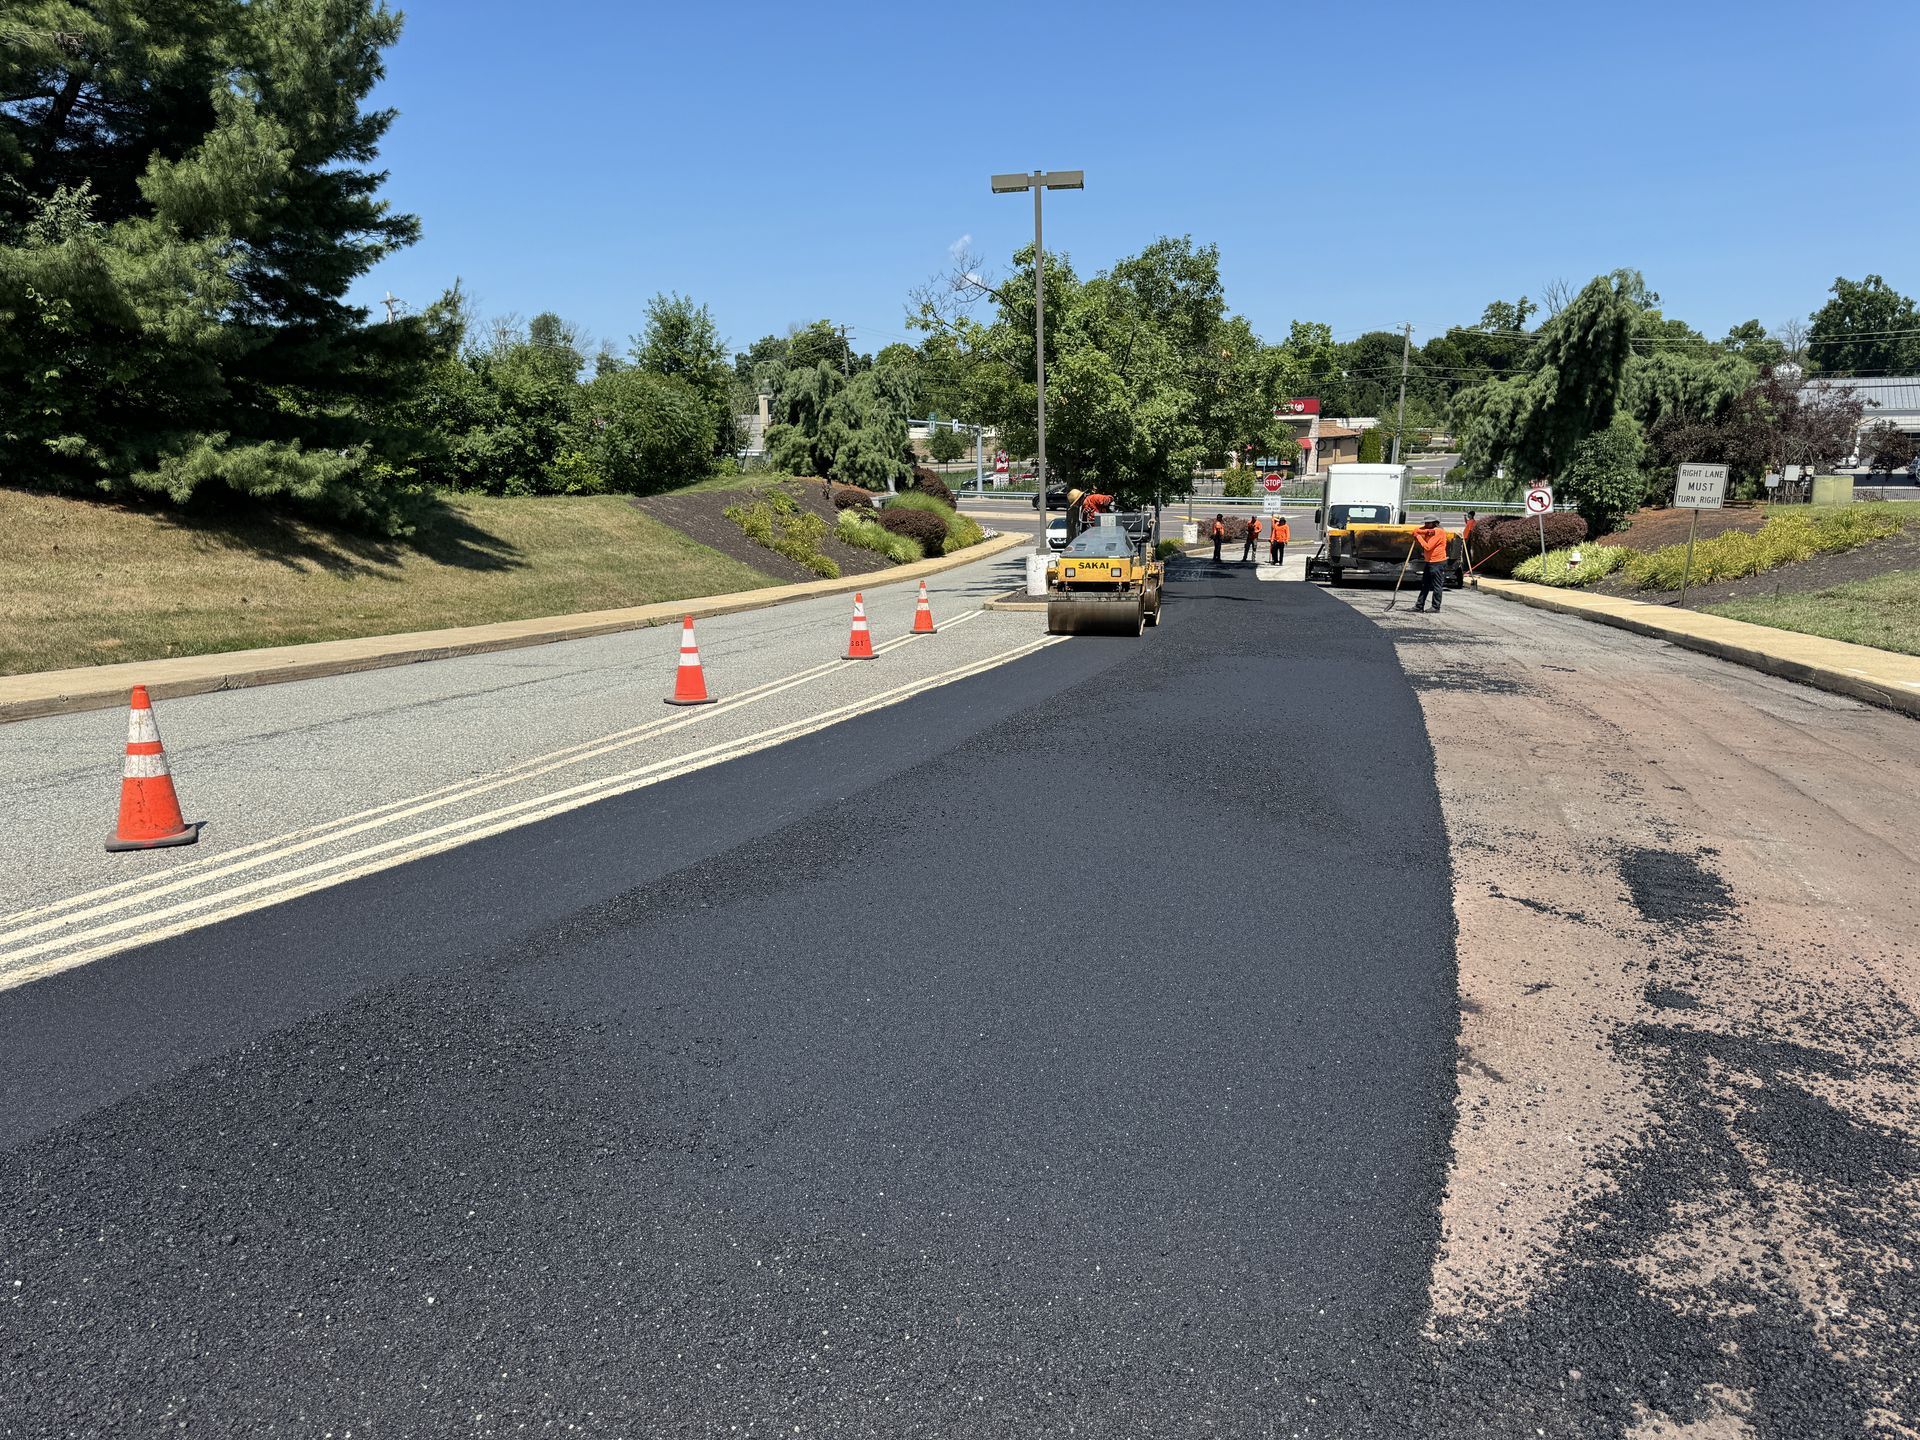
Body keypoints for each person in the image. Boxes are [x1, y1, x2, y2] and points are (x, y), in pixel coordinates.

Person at [1410, 516, 1452, 613]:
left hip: (1438, 562)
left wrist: (1418, 536)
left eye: (1428, 523)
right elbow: (1418, 530)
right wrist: (1417, 531)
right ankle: (1419, 606)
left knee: (1437, 585)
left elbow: (1428, 547)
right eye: (1425, 523)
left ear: (1434, 523)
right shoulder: (1430, 531)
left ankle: (1435, 607)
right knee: (1425, 584)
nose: (1425, 525)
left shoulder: (1438, 532)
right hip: (1429, 562)